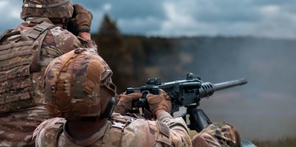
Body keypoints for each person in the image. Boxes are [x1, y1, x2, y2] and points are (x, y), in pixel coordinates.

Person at [0, 0, 96, 146]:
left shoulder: (2, 44)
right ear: (63, 12)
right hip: (45, 141)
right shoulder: (61, 38)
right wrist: (84, 32)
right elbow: (98, 74)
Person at [33, 48, 192, 147]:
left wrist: (117, 110)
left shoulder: (47, 134)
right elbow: (183, 140)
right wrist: (162, 111)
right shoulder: (136, 136)